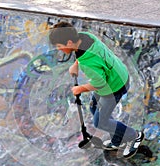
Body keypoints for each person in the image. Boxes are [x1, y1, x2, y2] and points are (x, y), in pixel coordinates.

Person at [49, 21, 144, 158]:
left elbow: (100, 83)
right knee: (95, 109)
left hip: (113, 87)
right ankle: (117, 139)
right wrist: (76, 64)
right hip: (118, 74)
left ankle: (133, 136)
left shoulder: (88, 62)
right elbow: (85, 56)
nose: (58, 49)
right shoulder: (85, 37)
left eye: (59, 46)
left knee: (100, 122)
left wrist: (80, 88)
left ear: (69, 43)